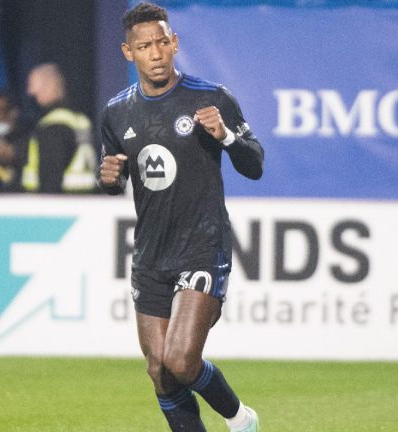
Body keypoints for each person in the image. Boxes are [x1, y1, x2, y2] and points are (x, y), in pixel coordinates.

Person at [97, 3, 263, 431]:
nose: (155, 53)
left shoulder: (211, 98)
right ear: (128, 52)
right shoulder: (116, 113)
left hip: (202, 245)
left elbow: (255, 164)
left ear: (174, 43)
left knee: (182, 359)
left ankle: (241, 419)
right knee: (160, 369)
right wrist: (108, 178)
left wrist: (225, 136)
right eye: (144, 46)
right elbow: (116, 177)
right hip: (151, 253)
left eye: (161, 42)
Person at [20, 62, 97, 193]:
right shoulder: (79, 120)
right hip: (85, 199)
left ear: (50, 85)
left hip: (60, 203)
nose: (30, 91)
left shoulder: (53, 125)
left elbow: (50, 178)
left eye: (32, 85)